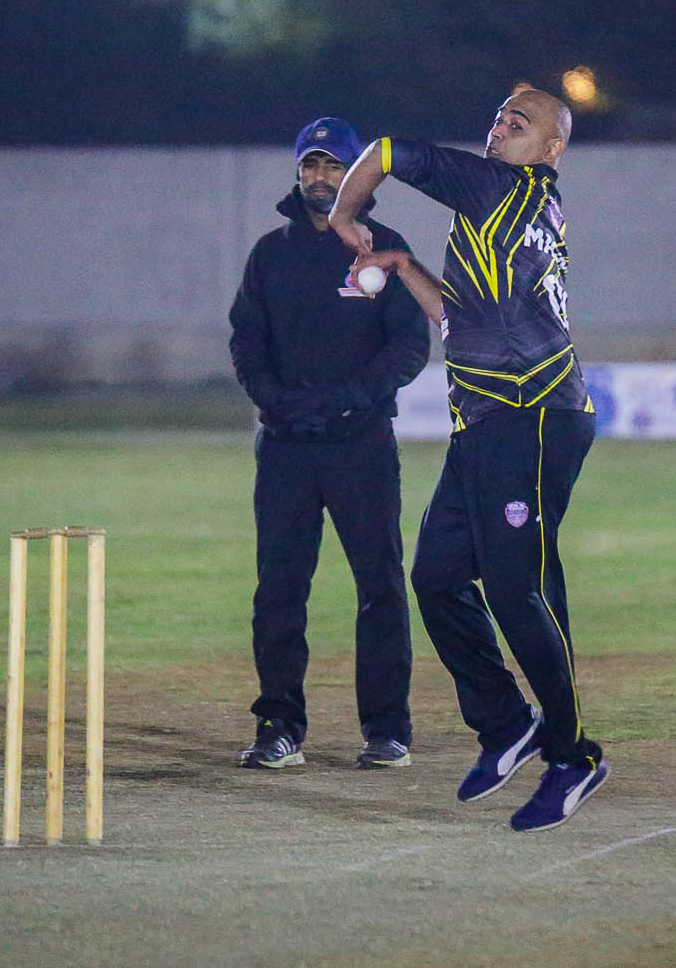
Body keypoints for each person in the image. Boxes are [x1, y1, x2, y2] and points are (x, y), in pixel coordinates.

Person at [327, 85, 608, 832]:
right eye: (499, 117)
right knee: (437, 576)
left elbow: (385, 152)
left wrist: (345, 216)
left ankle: (573, 755)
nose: (502, 126)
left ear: (552, 149)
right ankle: (507, 722)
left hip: (531, 418)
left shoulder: (500, 187)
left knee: (520, 589)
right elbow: (462, 319)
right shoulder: (520, 211)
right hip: (489, 424)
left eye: (522, 122)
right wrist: (405, 265)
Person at [228, 116, 430, 771]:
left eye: (334, 165)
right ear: (298, 172)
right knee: (279, 591)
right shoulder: (271, 253)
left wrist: (347, 397)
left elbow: (410, 346)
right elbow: (247, 339)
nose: (320, 176)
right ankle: (279, 727)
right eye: (311, 164)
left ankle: (387, 729)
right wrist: (275, 399)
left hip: (359, 444)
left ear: (356, 177)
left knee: (380, 586)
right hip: (286, 446)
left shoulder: (385, 247)